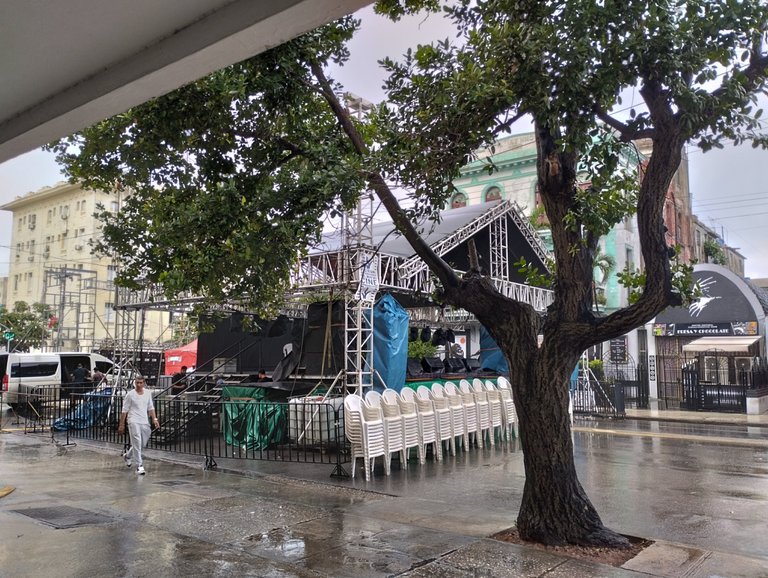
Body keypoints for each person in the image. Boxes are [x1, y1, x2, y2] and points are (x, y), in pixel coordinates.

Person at [118, 376, 159, 475]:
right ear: (134, 383)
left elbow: (150, 407)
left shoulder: (148, 393)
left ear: (144, 383)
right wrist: (122, 424)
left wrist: (155, 419)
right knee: (136, 441)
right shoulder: (130, 395)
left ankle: (128, 456)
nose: (139, 385)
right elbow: (124, 410)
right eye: (137, 383)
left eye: (141, 383)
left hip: (144, 421)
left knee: (141, 444)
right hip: (133, 420)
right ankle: (139, 465)